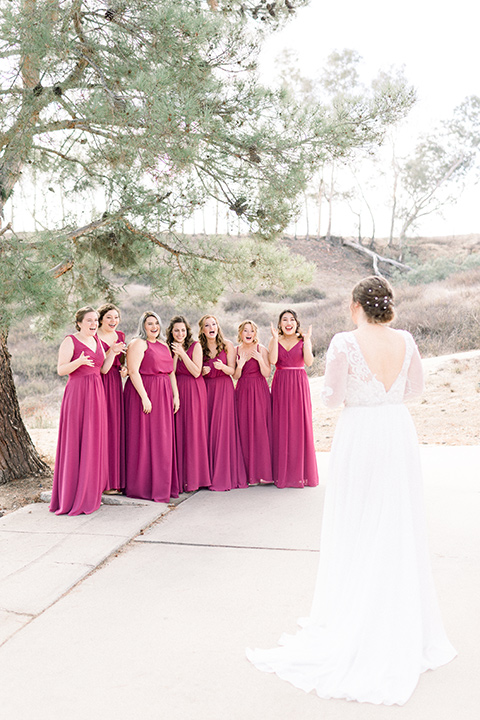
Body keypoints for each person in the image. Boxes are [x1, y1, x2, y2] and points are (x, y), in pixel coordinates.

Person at [247, 276, 456, 705]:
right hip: (396, 430)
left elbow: (329, 398)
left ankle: (357, 614)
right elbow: (416, 391)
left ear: (355, 304)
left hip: (360, 432)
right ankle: (397, 616)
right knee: (396, 518)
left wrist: (348, 393)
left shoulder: (344, 342)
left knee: (357, 519)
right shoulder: (407, 339)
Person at [50, 306, 117, 516]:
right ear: (79, 322)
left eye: (95, 320)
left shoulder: (97, 340)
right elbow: (61, 369)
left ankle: (89, 491)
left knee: (92, 439)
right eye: (89, 320)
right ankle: (71, 494)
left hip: (97, 392)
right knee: (75, 439)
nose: (93, 324)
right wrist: (77, 362)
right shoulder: (70, 340)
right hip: (77, 393)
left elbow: (103, 369)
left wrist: (112, 353)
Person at [124, 311, 179, 503]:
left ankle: (162, 484)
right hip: (144, 392)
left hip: (163, 393)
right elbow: (132, 371)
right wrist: (145, 397)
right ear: (143, 326)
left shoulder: (164, 345)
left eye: (156, 323)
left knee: (161, 439)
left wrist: (176, 395)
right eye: (149, 323)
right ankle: (143, 486)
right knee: (144, 437)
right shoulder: (138, 343)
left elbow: (171, 372)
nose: (154, 327)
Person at [268, 309, 319, 488]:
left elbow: (309, 362)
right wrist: (275, 339)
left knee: (300, 424)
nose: (288, 323)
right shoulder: (276, 339)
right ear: (280, 324)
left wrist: (308, 341)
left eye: (291, 320)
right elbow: (273, 361)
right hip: (281, 383)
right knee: (281, 425)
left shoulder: (303, 340)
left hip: (298, 383)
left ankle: (302, 474)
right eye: (284, 320)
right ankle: (282, 473)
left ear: (296, 323)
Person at [199, 314, 247, 490]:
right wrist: (202, 372)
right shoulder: (199, 346)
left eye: (214, 324)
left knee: (222, 429)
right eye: (207, 325)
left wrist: (222, 367)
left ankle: (223, 475)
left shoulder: (226, 345)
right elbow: (195, 369)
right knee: (207, 429)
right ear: (202, 329)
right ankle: (206, 475)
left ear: (218, 327)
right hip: (206, 389)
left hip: (224, 389)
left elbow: (234, 373)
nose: (211, 327)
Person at [167, 315, 211, 493]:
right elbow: (171, 371)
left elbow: (196, 371)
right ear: (171, 331)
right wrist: (175, 355)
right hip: (176, 390)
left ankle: (195, 478)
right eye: (176, 330)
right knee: (178, 432)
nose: (180, 333)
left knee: (193, 431)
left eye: (183, 330)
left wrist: (182, 353)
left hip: (194, 390)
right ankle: (181, 478)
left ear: (187, 331)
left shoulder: (196, 346)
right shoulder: (168, 348)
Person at [233, 320, 273, 485]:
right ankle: (249, 474)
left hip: (259, 390)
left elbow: (267, 373)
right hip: (242, 391)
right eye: (245, 331)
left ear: (255, 333)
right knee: (245, 429)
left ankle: (262, 472)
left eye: (251, 331)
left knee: (260, 428)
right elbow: (235, 376)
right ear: (240, 333)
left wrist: (259, 359)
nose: (248, 334)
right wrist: (240, 366)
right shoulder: (236, 350)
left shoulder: (261, 349)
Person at [97, 303, 127, 494]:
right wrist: (111, 351)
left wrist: (124, 368)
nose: (113, 321)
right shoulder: (95, 336)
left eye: (116, 317)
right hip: (100, 382)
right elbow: (101, 366)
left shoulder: (121, 336)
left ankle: (116, 480)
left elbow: (122, 359)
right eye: (109, 317)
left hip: (116, 382)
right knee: (102, 428)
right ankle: (103, 481)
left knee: (115, 428)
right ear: (101, 319)